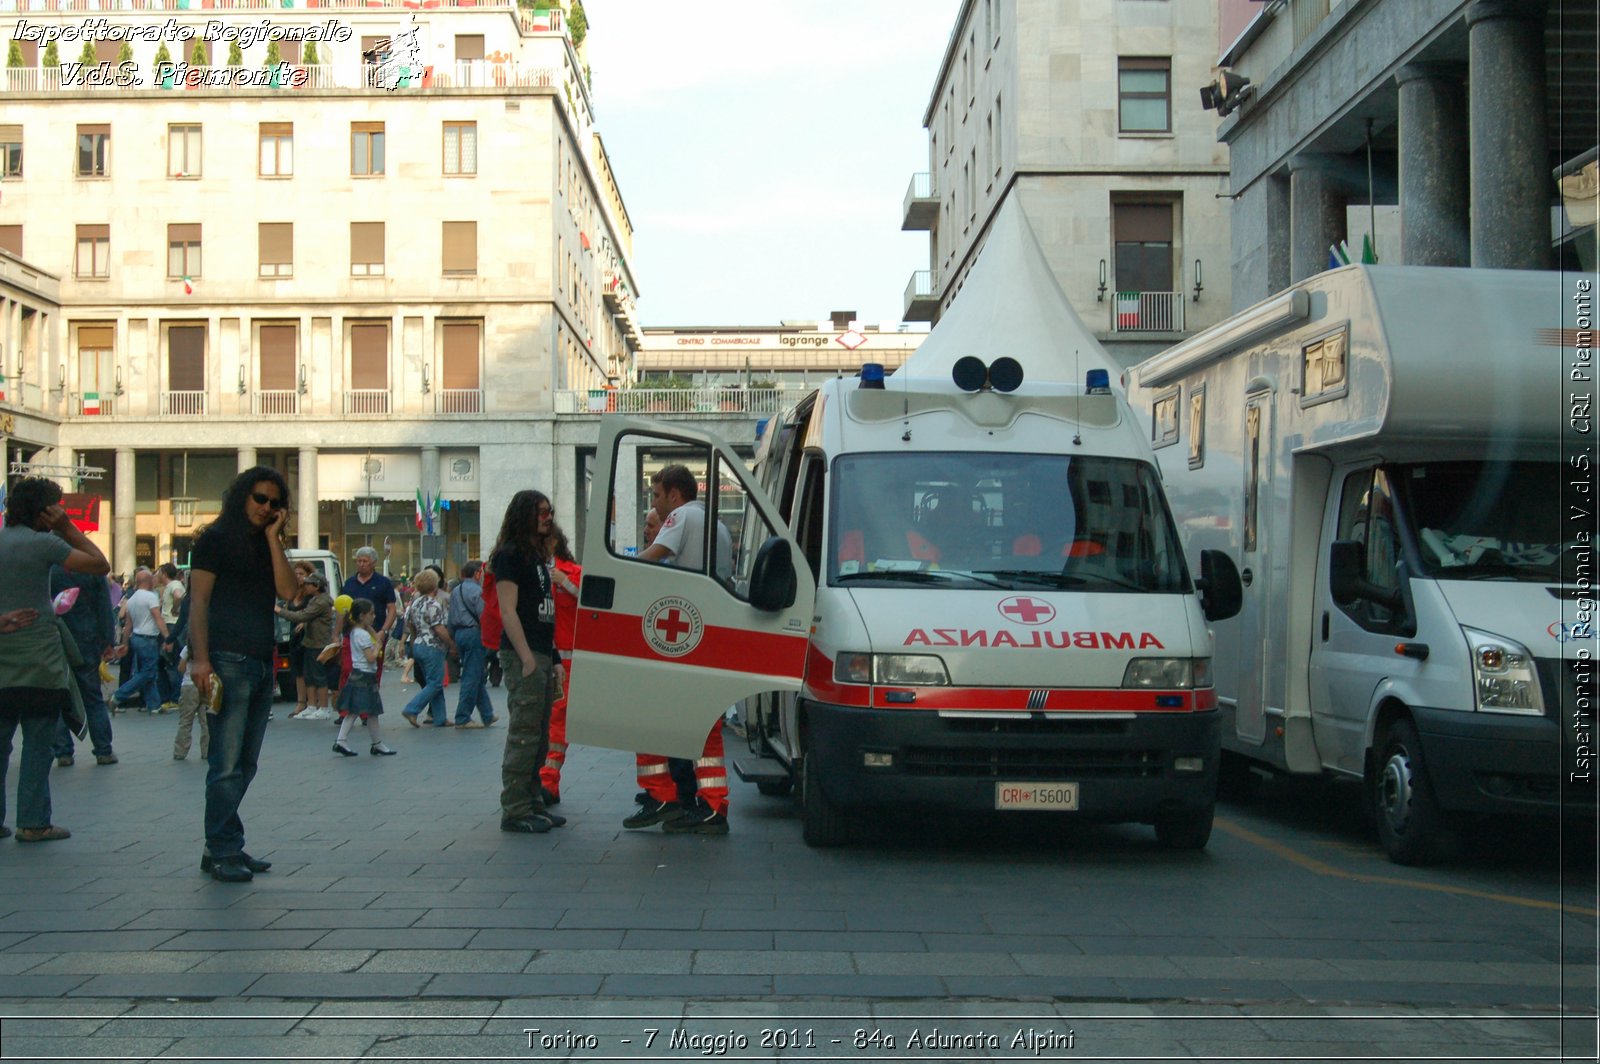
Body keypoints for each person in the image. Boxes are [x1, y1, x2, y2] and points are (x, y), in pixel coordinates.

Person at [188, 466, 298, 883]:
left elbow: (288, 592)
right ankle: (221, 848)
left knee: (246, 762)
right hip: (226, 659)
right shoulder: (214, 540)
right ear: (241, 497)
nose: (266, 507)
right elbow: (198, 603)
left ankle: (223, 841)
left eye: (274, 502)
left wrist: (273, 539)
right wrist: (200, 659)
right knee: (226, 762)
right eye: (259, 499)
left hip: (261, 659)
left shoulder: (265, 544)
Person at [0, 476, 110, 842]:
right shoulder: (44, 543)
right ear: (45, 511)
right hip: (39, 656)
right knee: (37, 741)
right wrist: (67, 527)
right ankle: (32, 822)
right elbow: (99, 564)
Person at [626, 465, 733, 835]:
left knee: (660, 717)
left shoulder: (682, 516)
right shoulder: (716, 523)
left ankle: (672, 798)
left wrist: (613, 567)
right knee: (703, 725)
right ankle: (710, 804)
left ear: (674, 494)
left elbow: (653, 556)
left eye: (656, 495)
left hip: (686, 638)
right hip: (710, 631)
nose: (656, 504)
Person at [490, 489, 565, 834]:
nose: (548, 517)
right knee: (524, 732)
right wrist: (526, 659)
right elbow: (508, 611)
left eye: (549, 511)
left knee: (539, 734)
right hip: (525, 654)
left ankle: (533, 801)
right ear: (525, 515)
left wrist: (554, 658)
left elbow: (544, 616)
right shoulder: (510, 555)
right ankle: (515, 808)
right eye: (541, 512)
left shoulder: (536, 556)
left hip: (541, 653)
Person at [50, 563, 118, 768]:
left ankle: (63, 752)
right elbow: (104, 607)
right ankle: (103, 749)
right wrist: (108, 640)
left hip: (58, 638)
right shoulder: (91, 568)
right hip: (87, 639)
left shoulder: (51, 569)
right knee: (93, 697)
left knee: (59, 695)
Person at [539, 527, 581, 805]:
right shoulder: (533, 573)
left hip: (566, 661)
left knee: (555, 725)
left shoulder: (574, 572)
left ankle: (547, 783)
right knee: (539, 725)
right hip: (538, 657)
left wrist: (565, 582)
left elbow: (594, 604)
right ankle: (542, 783)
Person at [332, 598, 395, 757]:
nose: (374, 616)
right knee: (368, 710)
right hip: (365, 674)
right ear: (362, 615)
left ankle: (345, 740)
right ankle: (374, 743)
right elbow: (371, 657)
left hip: (358, 673)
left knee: (358, 710)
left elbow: (373, 635)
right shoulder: (363, 635)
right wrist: (378, 646)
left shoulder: (354, 631)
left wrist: (369, 627)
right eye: (371, 614)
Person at [399, 569, 456, 727]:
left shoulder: (415, 603)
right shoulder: (433, 604)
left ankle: (440, 717)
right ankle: (412, 709)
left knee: (433, 682)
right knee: (435, 683)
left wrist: (412, 642)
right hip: (433, 646)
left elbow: (410, 625)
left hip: (418, 644)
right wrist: (451, 644)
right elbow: (438, 628)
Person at [110, 569, 169, 716]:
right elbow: (158, 617)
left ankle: (154, 705)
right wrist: (168, 637)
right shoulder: (151, 597)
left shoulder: (132, 598)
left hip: (136, 637)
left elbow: (128, 624)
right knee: (147, 673)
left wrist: (125, 643)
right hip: (148, 638)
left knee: (149, 672)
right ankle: (118, 696)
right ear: (148, 581)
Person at [277, 571, 335, 721]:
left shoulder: (321, 602)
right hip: (310, 642)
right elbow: (306, 616)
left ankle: (323, 707)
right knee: (308, 675)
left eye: (309, 583)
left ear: (316, 586)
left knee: (319, 676)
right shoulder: (315, 600)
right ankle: (311, 706)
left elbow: (302, 615)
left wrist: (279, 610)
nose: (306, 585)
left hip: (319, 643)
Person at [448, 559, 496, 728]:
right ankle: (463, 717)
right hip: (474, 633)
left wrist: (452, 641)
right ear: (477, 574)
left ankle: (487, 713)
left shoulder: (456, 591)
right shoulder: (478, 591)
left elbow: (450, 618)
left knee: (476, 673)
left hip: (459, 633)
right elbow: (484, 616)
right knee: (471, 675)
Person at [341, 546, 397, 681]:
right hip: (352, 634)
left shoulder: (383, 583)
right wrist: (337, 633)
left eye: (365, 561)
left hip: (375, 633)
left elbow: (392, 609)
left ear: (373, 563)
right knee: (348, 669)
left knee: (373, 669)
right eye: (359, 561)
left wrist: (384, 631)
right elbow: (342, 610)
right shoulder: (349, 583)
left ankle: (372, 696)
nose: (361, 564)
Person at [154, 563, 186, 709]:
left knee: (172, 661)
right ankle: (168, 696)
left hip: (172, 625)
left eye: (160, 572)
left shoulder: (174, 585)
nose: (158, 574)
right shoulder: (171, 586)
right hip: (170, 625)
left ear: (165, 573)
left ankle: (175, 697)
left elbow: (179, 596)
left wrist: (175, 608)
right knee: (164, 662)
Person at [171, 645, 208, 762]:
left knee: (186, 720)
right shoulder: (208, 647)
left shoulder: (187, 649)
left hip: (189, 685)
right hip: (206, 685)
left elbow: (181, 668)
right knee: (206, 721)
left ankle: (180, 752)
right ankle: (207, 751)